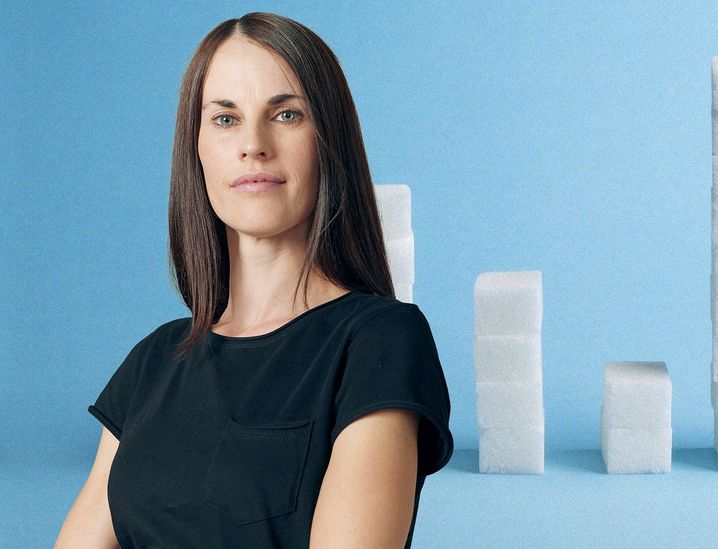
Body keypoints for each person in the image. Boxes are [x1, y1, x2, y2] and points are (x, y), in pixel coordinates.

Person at [55, 12, 453, 549]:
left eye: (286, 114)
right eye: (224, 119)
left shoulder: (379, 342)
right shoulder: (154, 362)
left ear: (328, 139)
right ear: (195, 149)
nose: (253, 144)